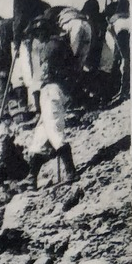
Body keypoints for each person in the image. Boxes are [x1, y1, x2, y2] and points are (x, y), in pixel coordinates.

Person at [23, 16, 77, 186]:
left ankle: (71, 172)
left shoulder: (51, 46)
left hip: (52, 90)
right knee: (40, 137)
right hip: (56, 90)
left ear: (44, 31)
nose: (37, 37)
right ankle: (32, 178)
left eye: (38, 33)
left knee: (54, 130)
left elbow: (46, 74)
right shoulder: (59, 43)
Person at [0, 0, 50, 111]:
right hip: (37, 36)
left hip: (28, 38)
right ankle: (38, 106)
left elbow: (18, 20)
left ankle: (37, 108)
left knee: (29, 73)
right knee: (36, 71)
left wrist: (16, 41)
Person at [105, 0, 130, 102]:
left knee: (125, 58)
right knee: (124, 58)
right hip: (121, 29)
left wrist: (114, 19)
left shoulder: (123, 3)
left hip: (121, 29)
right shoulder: (123, 2)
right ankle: (123, 89)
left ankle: (124, 90)